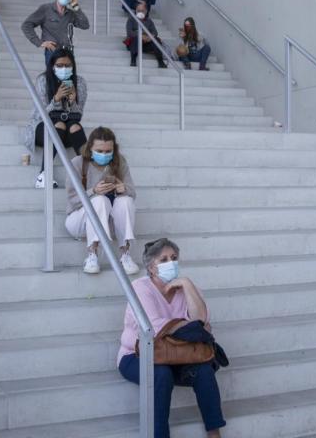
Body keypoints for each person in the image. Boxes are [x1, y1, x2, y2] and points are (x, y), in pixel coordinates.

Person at [118, 238, 226, 437]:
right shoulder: (140, 288)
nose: (171, 263)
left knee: (204, 370)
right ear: (151, 267)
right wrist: (190, 326)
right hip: (137, 355)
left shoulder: (185, 288)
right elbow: (154, 328)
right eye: (164, 259)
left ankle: (214, 432)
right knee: (161, 374)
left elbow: (202, 319)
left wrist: (186, 283)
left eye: (174, 258)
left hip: (177, 355)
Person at [65, 127, 140, 275]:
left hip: (109, 221)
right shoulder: (78, 162)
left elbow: (132, 193)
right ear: (90, 147)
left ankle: (125, 253)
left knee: (125, 200)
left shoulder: (119, 162)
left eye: (108, 151)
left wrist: (122, 188)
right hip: (78, 219)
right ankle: (92, 254)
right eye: (99, 151)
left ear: (114, 149)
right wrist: (93, 191)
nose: (104, 154)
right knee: (99, 200)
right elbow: (72, 199)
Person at [24, 48, 87, 189]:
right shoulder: (43, 81)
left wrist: (72, 102)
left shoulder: (80, 83)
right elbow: (39, 114)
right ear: (52, 66)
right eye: (59, 65)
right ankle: (44, 174)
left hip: (66, 130)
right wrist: (56, 99)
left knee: (75, 126)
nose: (64, 68)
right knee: (59, 124)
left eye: (67, 65)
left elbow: (78, 116)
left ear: (73, 66)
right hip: (42, 127)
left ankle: (87, 172)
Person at [21, 0, 90, 65]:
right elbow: (26, 25)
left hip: (68, 51)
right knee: (52, 76)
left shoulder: (71, 13)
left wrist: (76, 7)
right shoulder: (46, 9)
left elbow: (85, 25)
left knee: (67, 77)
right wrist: (39, 42)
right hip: (52, 52)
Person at [127, 2, 166, 68]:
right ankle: (133, 60)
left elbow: (155, 32)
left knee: (156, 40)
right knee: (136, 38)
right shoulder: (131, 19)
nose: (140, 12)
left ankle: (160, 61)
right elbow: (129, 33)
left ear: (146, 11)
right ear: (136, 11)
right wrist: (141, 35)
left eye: (142, 10)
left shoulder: (149, 21)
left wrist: (149, 37)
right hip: (135, 43)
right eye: (138, 10)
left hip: (146, 43)